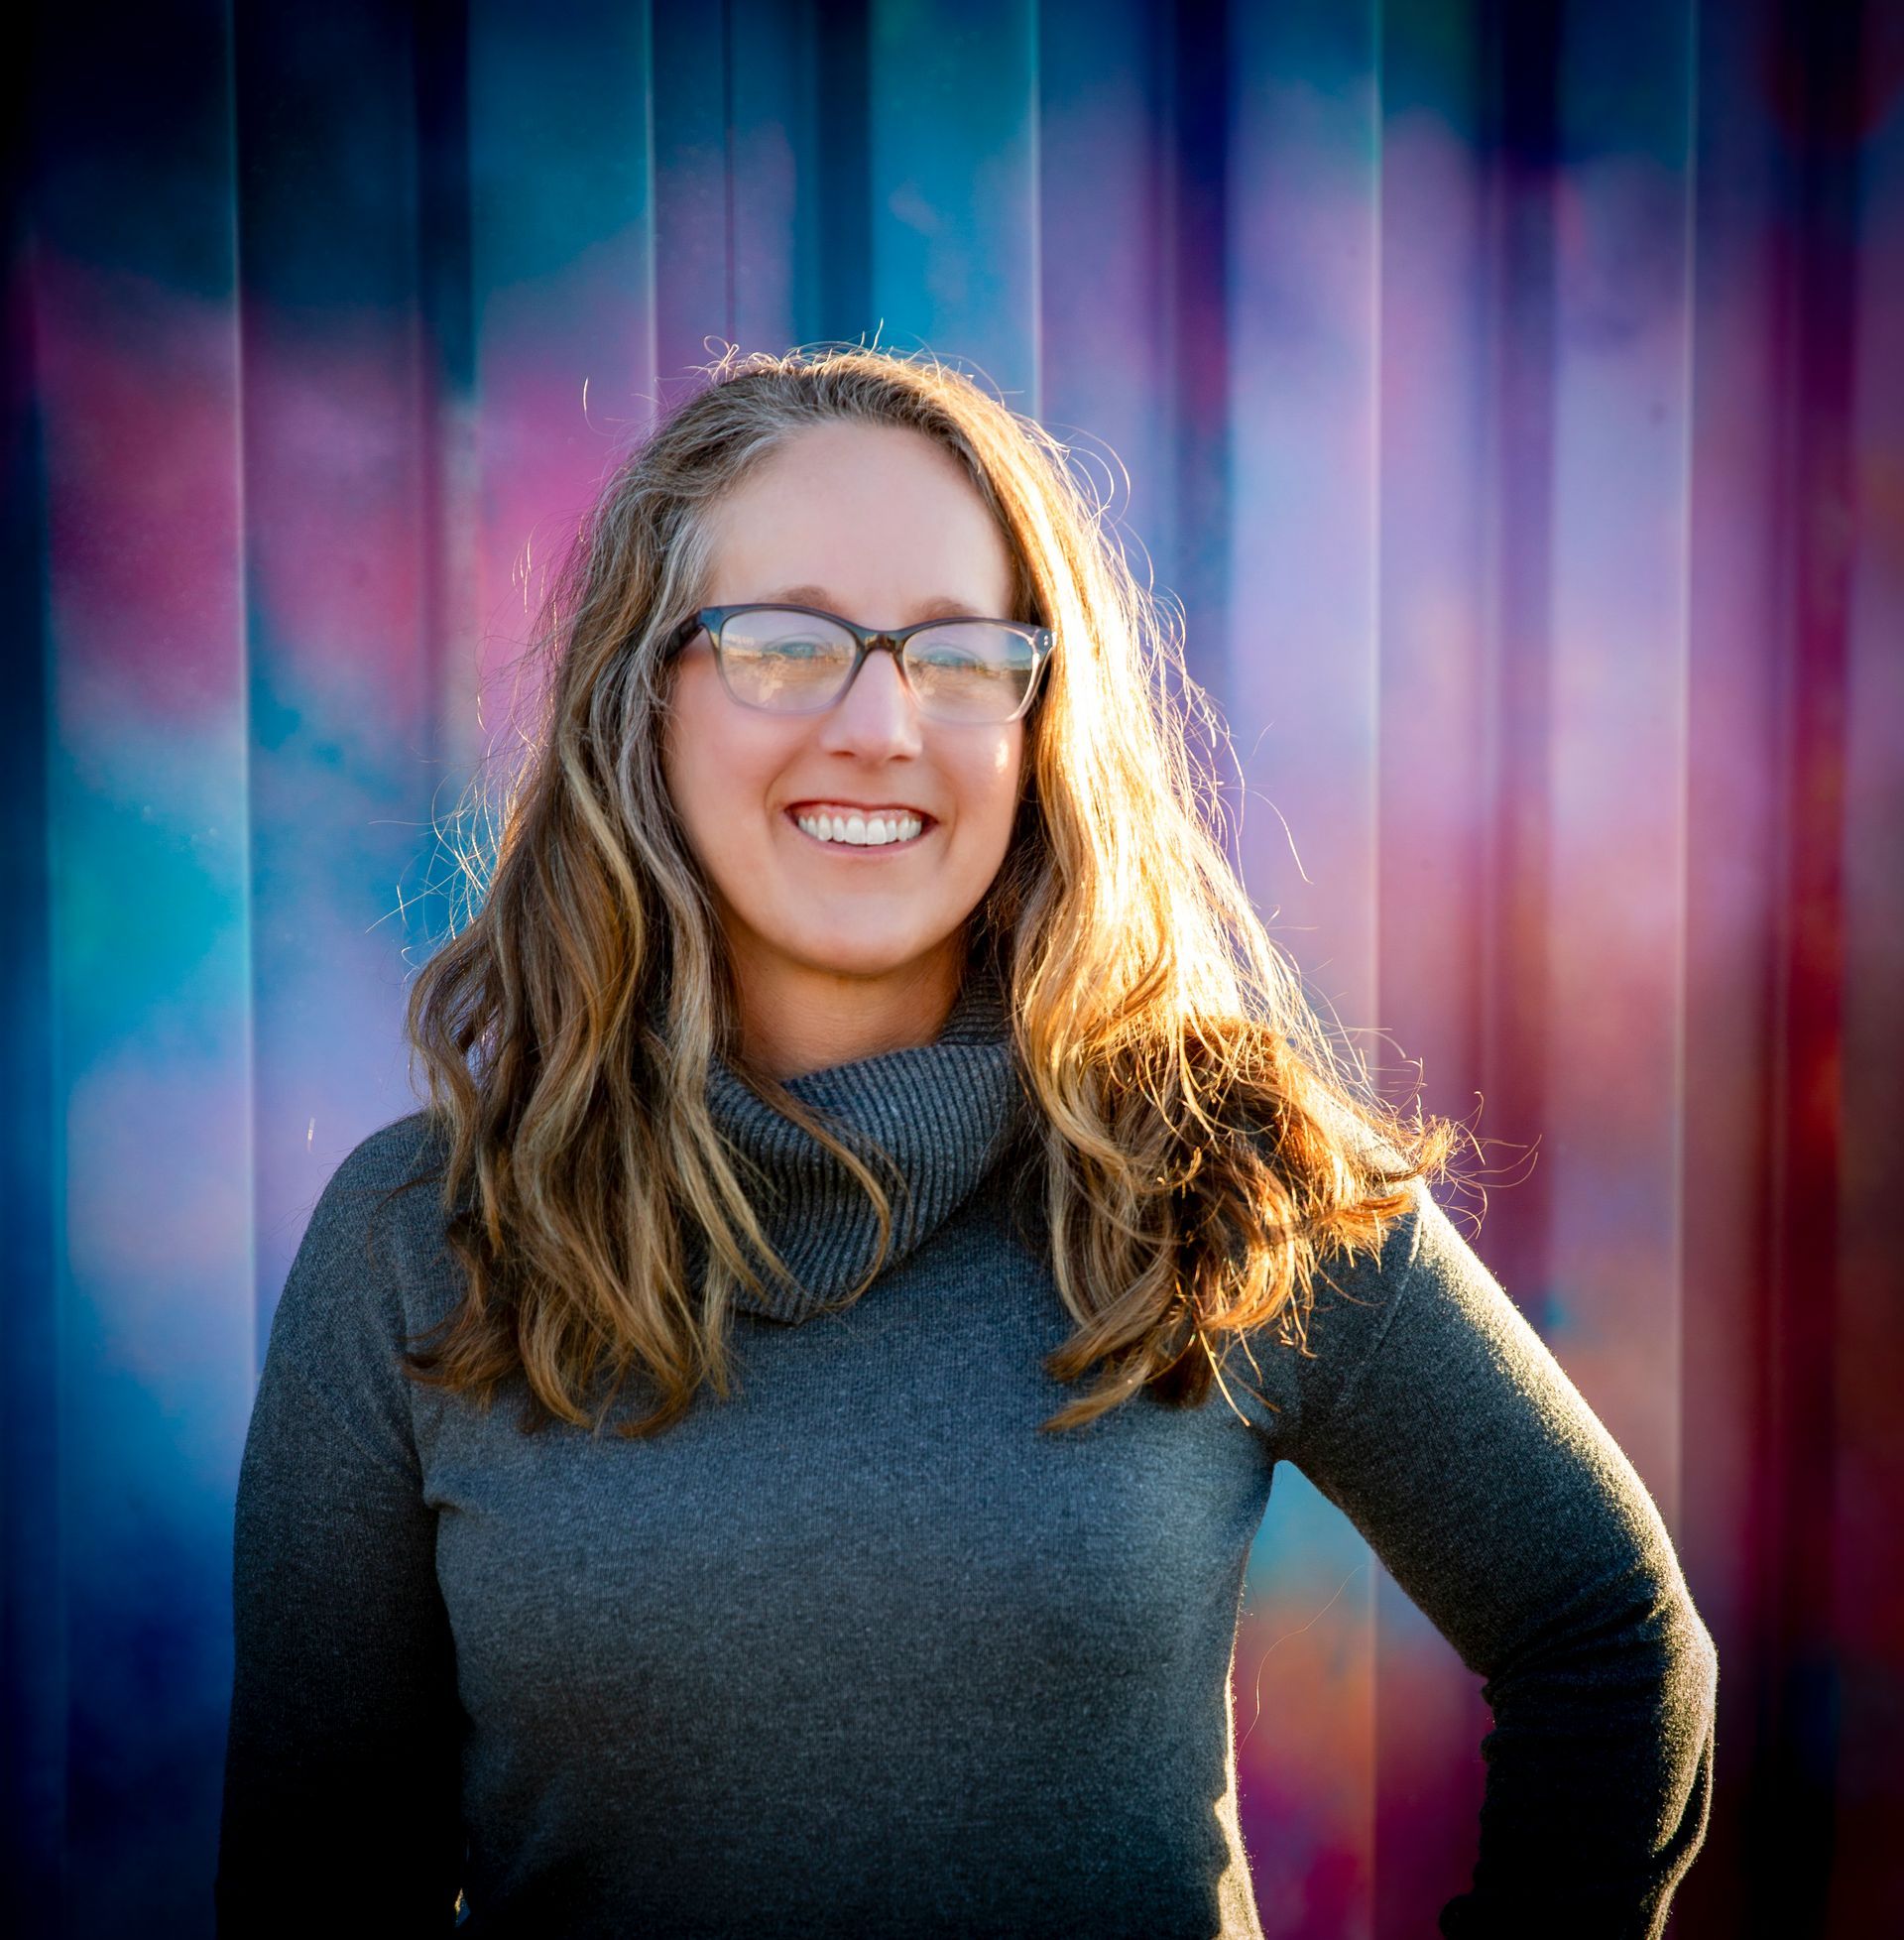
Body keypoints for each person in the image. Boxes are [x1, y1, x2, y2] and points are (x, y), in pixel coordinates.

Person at [214, 345, 1717, 1938]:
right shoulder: (420, 1241)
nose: (879, 725)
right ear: (643, 697)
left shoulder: (1212, 1169)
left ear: (1037, 722)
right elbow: (315, 1884)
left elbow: (1609, 1639)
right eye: (785, 646)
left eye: (958, 658)